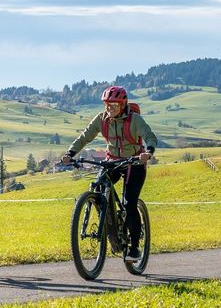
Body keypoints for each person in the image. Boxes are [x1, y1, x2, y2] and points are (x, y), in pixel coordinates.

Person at [61, 86, 157, 258]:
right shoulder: (101, 119)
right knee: (98, 187)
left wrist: (148, 152)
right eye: (107, 105)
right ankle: (110, 227)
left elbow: (149, 136)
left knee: (129, 203)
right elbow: (85, 136)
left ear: (123, 105)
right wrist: (70, 153)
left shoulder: (134, 120)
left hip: (134, 162)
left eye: (114, 105)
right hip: (112, 161)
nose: (109, 108)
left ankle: (134, 247)